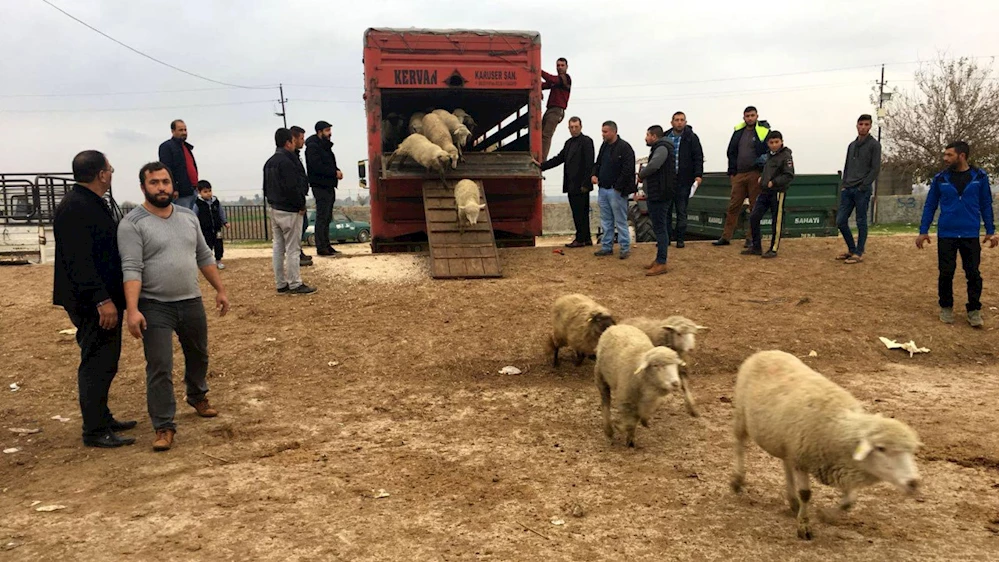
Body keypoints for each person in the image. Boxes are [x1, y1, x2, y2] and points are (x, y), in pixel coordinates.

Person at [118, 162, 230, 452]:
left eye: (165, 181)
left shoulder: (187, 217)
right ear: (143, 187)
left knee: (199, 354)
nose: (161, 187)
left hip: (190, 300)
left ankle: (197, 395)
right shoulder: (132, 224)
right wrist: (132, 310)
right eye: (154, 183)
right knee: (160, 365)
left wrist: (219, 289)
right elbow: (131, 267)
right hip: (154, 306)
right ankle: (164, 425)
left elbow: (204, 254)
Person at [52, 150, 136, 448]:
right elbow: (80, 262)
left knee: (105, 360)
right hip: (92, 303)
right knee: (97, 362)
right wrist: (102, 300)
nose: (112, 173)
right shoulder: (76, 207)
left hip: (98, 298)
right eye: (110, 169)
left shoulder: (87, 202)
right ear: (101, 174)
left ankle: (103, 417)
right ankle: (95, 430)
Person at [916, 141, 997, 327]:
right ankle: (946, 307)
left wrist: (991, 231)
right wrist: (923, 231)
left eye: (949, 155)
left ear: (962, 156)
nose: (945, 158)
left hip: (970, 233)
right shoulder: (940, 178)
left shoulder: (980, 176)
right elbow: (930, 205)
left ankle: (974, 310)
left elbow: (986, 204)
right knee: (946, 273)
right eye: (945, 155)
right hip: (947, 233)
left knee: (973, 273)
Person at [266, 128, 318, 295]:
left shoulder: (270, 162)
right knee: (293, 248)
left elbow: (266, 188)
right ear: (288, 142)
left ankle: (281, 284)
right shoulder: (288, 162)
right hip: (290, 211)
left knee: (278, 247)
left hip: (274, 208)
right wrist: (301, 205)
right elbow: (293, 187)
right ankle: (295, 283)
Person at [715, 106, 771, 247]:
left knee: (754, 206)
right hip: (739, 174)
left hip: (755, 174)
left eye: (752, 115)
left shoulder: (763, 131)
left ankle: (751, 238)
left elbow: (769, 151)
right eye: (747, 116)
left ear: (757, 116)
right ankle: (726, 237)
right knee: (733, 206)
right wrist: (732, 172)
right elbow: (731, 151)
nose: (750, 118)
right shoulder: (738, 131)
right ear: (743, 117)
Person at [539, 116, 595, 248]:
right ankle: (585, 239)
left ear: (581, 127)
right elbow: (559, 158)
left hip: (582, 185)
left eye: (576, 127)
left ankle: (581, 239)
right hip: (571, 184)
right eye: (571, 127)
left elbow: (589, 163)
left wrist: (586, 184)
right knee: (577, 212)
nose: (574, 129)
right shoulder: (568, 143)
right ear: (568, 128)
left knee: (581, 212)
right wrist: (542, 166)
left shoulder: (587, 141)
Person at [836, 114, 882, 264]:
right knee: (840, 221)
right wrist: (844, 185)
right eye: (861, 124)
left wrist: (864, 185)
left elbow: (875, 169)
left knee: (861, 221)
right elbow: (847, 166)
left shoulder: (874, 145)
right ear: (856, 125)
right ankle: (851, 249)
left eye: (866, 124)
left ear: (870, 126)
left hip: (862, 189)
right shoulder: (852, 145)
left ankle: (859, 252)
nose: (863, 127)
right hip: (848, 188)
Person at [743, 131, 794, 259]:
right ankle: (756, 247)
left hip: (778, 192)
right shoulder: (768, 156)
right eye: (771, 142)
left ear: (781, 142)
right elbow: (767, 170)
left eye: (777, 142)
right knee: (754, 217)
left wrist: (774, 182)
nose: (774, 145)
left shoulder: (786, 156)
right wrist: (762, 179)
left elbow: (789, 175)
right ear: (768, 144)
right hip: (764, 192)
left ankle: (773, 248)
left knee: (776, 221)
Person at [591, 121, 636, 259]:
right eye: (602, 131)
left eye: (605, 132)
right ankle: (606, 246)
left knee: (620, 220)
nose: (603, 134)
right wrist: (594, 174)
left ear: (613, 131)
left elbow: (628, 169)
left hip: (616, 191)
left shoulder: (625, 148)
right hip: (603, 189)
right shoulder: (604, 146)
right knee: (606, 220)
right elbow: (598, 163)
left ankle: (624, 247)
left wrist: (618, 187)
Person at [637, 125, 675, 276]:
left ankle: (661, 262)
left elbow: (654, 165)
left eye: (647, 135)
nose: (646, 138)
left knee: (660, 228)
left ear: (654, 136)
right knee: (660, 227)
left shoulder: (662, 148)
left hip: (660, 194)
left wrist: (642, 174)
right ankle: (659, 259)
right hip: (658, 193)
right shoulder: (662, 147)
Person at [664, 112, 704, 248]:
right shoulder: (665, 137)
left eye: (682, 120)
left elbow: (698, 157)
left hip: (684, 180)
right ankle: (666, 239)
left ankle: (680, 240)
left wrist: (698, 175)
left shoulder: (691, 138)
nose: (679, 122)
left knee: (681, 211)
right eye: (677, 120)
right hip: (667, 181)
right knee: (666, 212)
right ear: (672, 122)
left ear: (685, 122)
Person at [305, 120, 342, 257]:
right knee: (322, 217)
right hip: (320, 186)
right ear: (319, 132)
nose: (330, 133)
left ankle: (327, 245)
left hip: (328, 185)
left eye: (329, 130)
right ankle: (321, 248)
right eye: (327, 130)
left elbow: (329, 162)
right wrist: (334, 172)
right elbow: (317, 166)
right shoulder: (313, 147)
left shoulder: (325, 146)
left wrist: (336, 170)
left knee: (327, 217)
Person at [157, 119, 199, 210]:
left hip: (192, 190)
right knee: (181, 219)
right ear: (173, 131)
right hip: (180, 193)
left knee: (189, 219)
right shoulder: (167, 147)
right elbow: (166, 169)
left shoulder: (186, 147)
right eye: (180, 130)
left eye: (185, 130)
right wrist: (174, 188)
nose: (184, 132)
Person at [289, 125, 313, 267]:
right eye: (301, 138)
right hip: (296, 199)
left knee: (303, 225)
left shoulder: (296, 155)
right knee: (299, 227)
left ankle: (298, 251)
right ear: (294, 139)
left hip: (301, 195)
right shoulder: (291, 157)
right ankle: (296, 254)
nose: (303, 141)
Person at [541, 57, 572, 161]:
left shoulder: (565, 78)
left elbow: (551, 79)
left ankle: (542, 160)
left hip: (556, 110)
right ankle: (539, 156)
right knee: (541, 134)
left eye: (562, 65)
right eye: (558, 65)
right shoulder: (557, 81)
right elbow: (545, 84)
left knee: (546, 135)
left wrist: (538, 70)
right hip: (550, 110)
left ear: (567, 67)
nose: (560, 67)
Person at [193, 180, 229, 270]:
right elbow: (194, 216)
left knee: (218, 245)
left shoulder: (216, 202)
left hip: (217, 229)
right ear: (199, 192)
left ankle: (218, 261)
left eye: (209, 191)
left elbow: (221, 212)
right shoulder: (197, 204)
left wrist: (225, 222)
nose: (208, 194)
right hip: (205, 230)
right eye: (205, 192)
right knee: (207, 246)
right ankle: (207, 262)